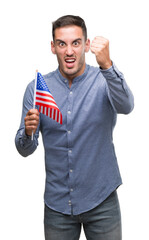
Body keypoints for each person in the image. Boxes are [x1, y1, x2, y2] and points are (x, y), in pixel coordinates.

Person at [15, 15, 134, 240]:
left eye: (76, 43)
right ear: (53, 47)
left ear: (86, 45)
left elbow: (127, 106)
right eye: (62, 43)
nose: (69, 51)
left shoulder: (103, 80)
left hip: (102, 202)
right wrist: (28, 133)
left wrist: (107, 65)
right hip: (57, 206)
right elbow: (24, 149)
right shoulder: (39, 89)